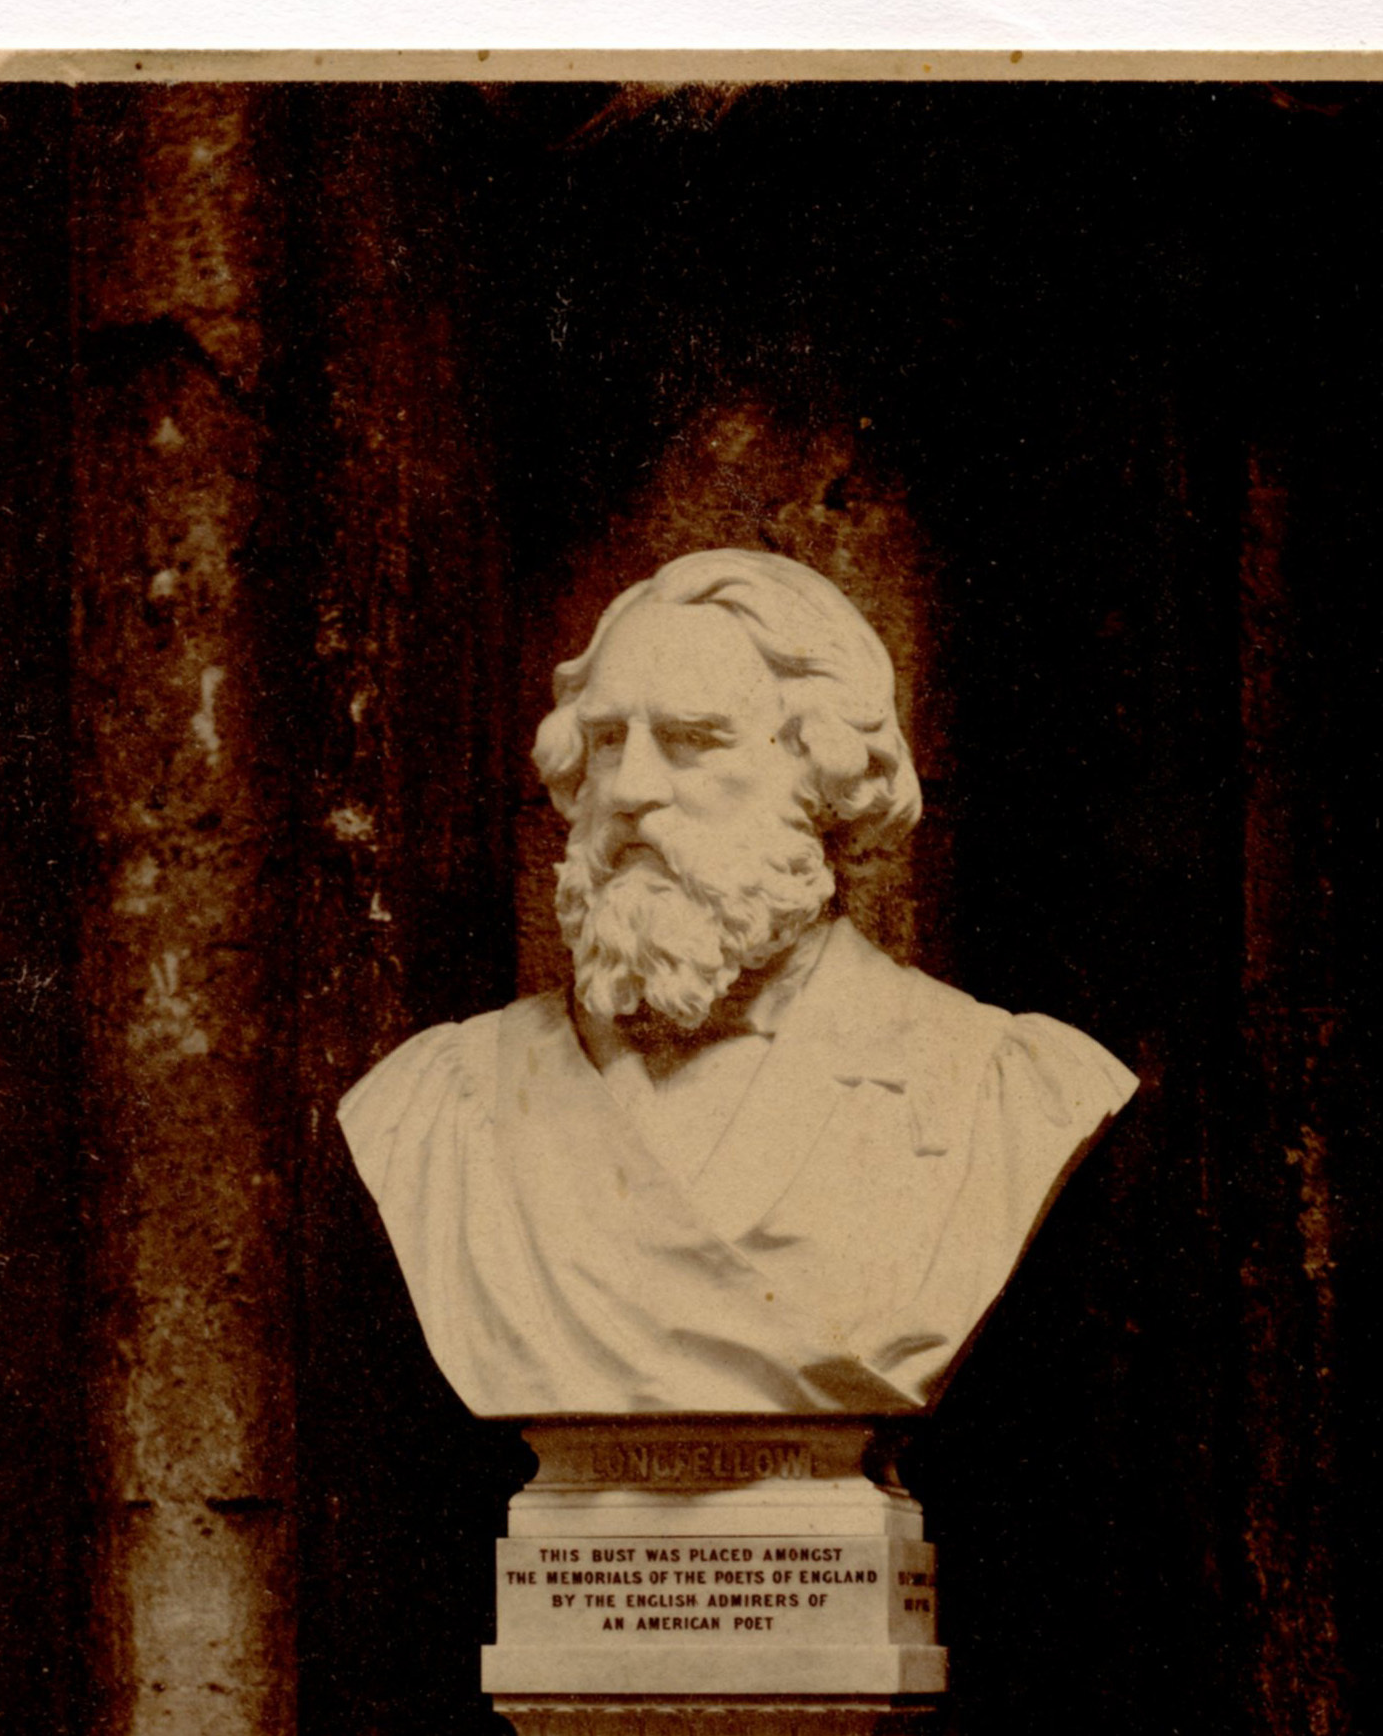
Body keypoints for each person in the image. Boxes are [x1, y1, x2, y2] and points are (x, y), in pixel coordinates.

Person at [340, 548, 1136, 1416]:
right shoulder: (440, 1099)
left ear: (821, 777)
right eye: (607, 742)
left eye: (692, 741)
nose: (630, 790)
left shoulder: (997, 1085)